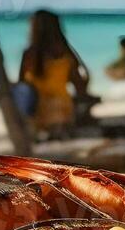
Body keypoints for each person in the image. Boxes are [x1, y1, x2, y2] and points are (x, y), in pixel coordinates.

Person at [18, 10, 89, 139]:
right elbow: (80, 87)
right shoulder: (67, 54)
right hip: (63, 110)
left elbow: (22, 84)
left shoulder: (29, 54)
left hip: (39, 112)